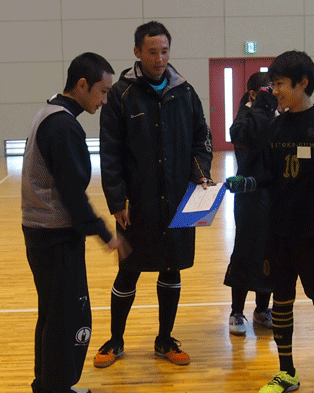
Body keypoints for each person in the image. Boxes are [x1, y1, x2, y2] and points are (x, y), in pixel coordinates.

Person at [226, 50, 314, 393]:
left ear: (302, 83)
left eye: (280, 84)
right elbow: (269, 175)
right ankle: (287, 372)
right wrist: (247, 183)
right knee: (281, 303)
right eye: (272, 84)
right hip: (279, 234)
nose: (275, 91)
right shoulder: (276, 126)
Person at [94, 21, 212, 368]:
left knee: (171, 269)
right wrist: (117, 202)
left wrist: (200, 173)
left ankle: (165, 340)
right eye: (152, 52)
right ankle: (115, 340)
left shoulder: (185, 92)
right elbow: (110, 153)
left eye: (164, 51)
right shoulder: (120, 95)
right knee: (128, 270)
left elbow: (201, 138)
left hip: (177, 200)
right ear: (137, 52)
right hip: (137, 203)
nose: (159, 59)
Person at [22, 52, 129, 393]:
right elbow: (71, 192)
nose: (105, 100)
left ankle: (46, 388)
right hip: (54, 235)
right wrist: (105, 233)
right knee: (66, 316)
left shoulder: (50, 112)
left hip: (42, 232)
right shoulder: (63, 126)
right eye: (103, 91)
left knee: (51, 313)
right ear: (82, 85)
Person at [225, 71, 276, 336]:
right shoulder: (244, 117)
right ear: (254, 93)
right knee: (245, 249)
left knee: (270, 251)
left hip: (273, 195)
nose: (273, 94)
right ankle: (236, 311)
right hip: (249, 196)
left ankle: (262, 309)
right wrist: (260, 109)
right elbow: (244, 140)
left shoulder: (276, 116)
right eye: (268, 89)